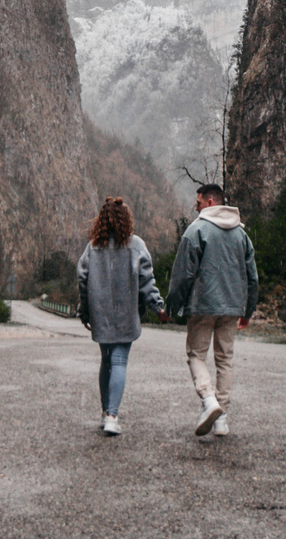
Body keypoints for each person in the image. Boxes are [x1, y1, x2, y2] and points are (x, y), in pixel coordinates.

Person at [164, 181, 259, 438]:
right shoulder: (242, 234)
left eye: (197, 203)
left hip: (202, 304)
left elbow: (182, 275)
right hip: (231, 307)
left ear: (209, 202)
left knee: (196, 354)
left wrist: (172, 305)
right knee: (225, 359)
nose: (195, 209)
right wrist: (247, 310)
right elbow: (252, 277)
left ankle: (208, 400)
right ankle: (222, 419)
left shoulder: (196, 231)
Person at [75, 196, 164, 436]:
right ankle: (112, 416)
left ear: (101, 220)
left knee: (106, 360)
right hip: (126, 313)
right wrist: (158, 307)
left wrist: (84, 311)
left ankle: (106, 412)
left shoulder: (93, 247)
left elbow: (82, 280)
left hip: (100, 313)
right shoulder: (136, 245)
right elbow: (147, 281)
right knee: (119, 362)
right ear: (127, 220)